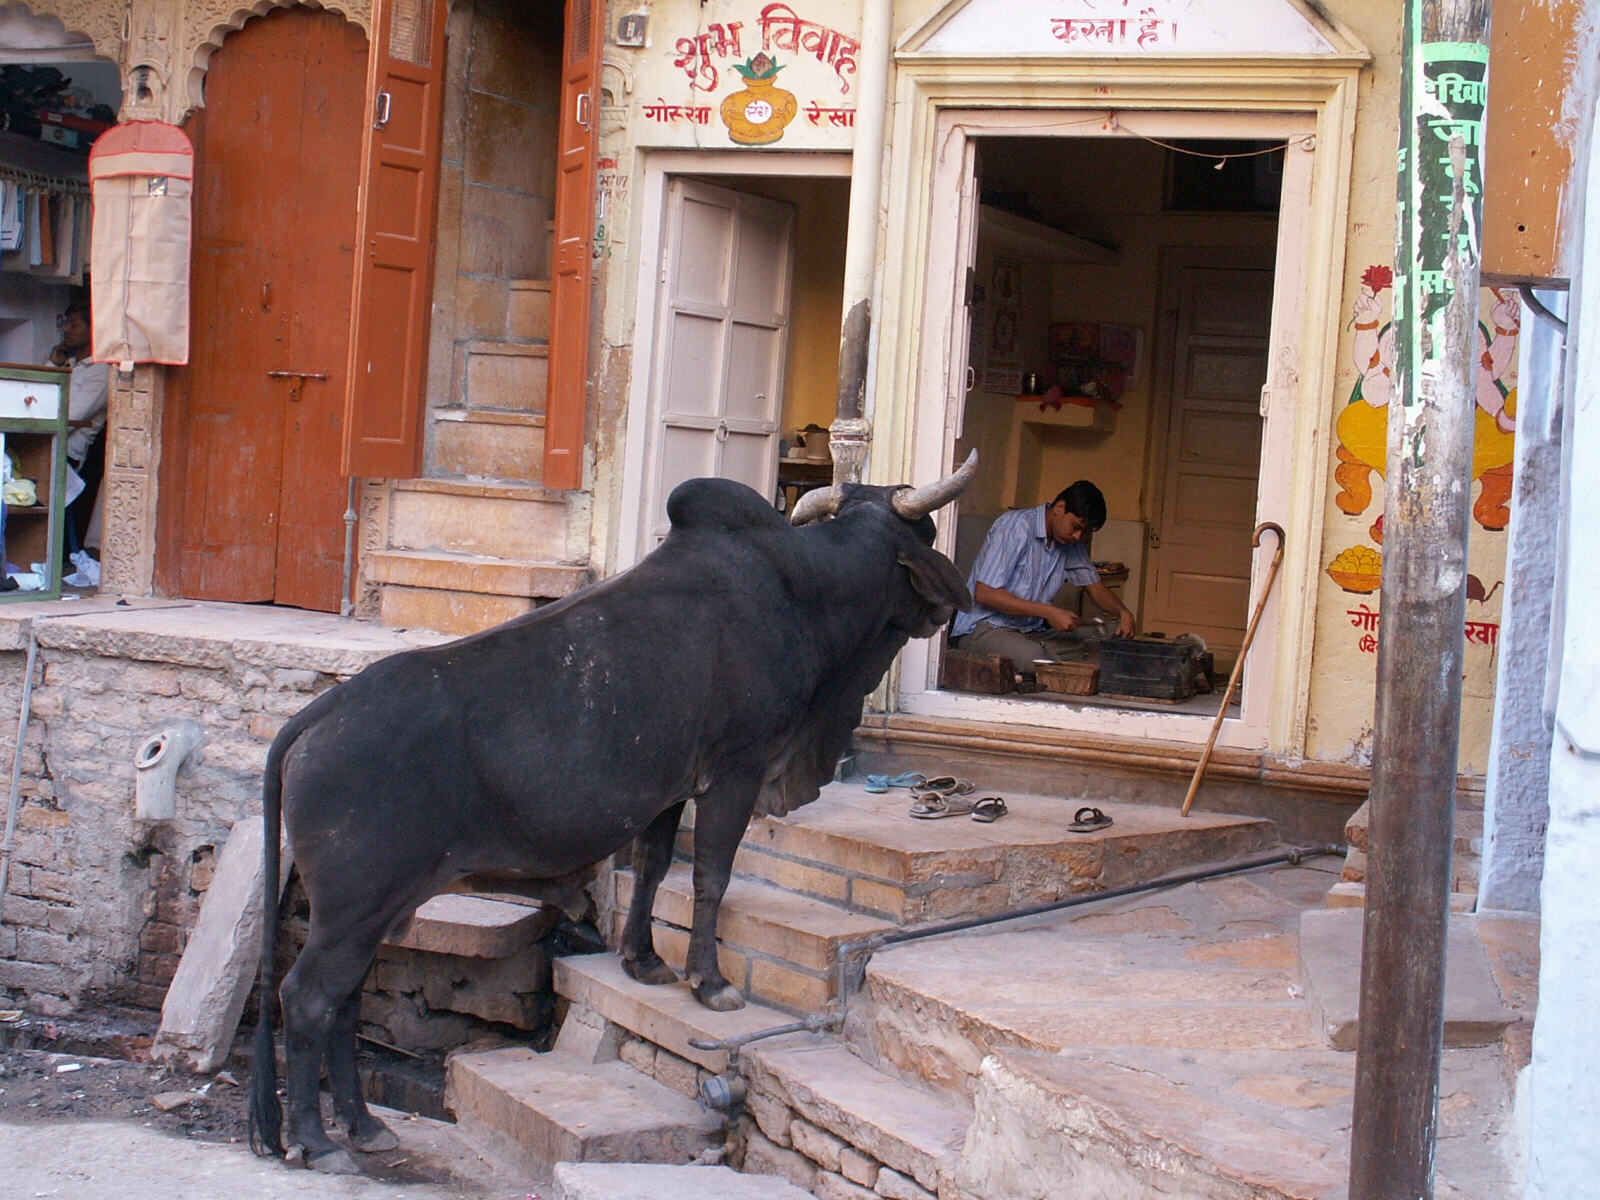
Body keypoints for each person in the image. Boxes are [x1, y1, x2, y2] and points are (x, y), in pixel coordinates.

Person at [950, 480, 1135, 672]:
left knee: (1099, 647)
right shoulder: (1017, 526)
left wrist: (1123, 613)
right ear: (1059, 508)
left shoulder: (1069, 543)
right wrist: (1048, 612)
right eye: (1076, 526)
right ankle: (1050, 665)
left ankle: (1053, 663)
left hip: (1031, 633)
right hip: (984, 629)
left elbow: (1095, 587)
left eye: (1084, 532)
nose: (1078, 537)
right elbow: (985, 593)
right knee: (1036, 659)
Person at [47, 297, 109, 562]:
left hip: (68, 455)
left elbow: (71, 415)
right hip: (47, 444)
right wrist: (52, 365)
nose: (66, 330)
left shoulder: (101, 370)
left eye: (73, 324)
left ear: (92, 329)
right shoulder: (72, 365)